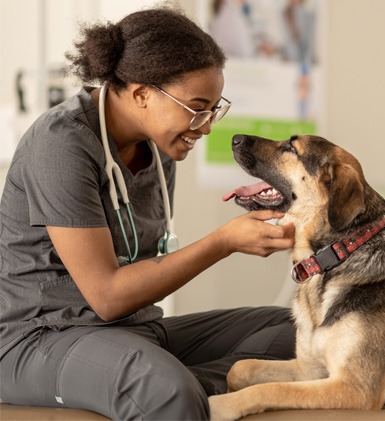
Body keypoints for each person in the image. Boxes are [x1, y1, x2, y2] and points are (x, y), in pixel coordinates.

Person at [0, 6, 296, 420]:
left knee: (299, 332)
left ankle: (180, 386)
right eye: (197, 107)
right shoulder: (60, 145)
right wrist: (224, 242)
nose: (207, 125)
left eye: (214, 108)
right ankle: (170, 388)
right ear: (141, 94)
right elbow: (107, 297)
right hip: (41, 338)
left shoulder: (159, 152)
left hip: (134, 331)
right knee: (166, 390)